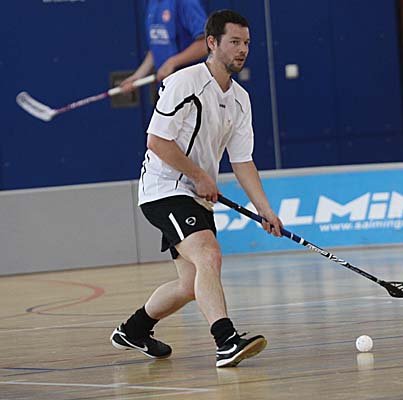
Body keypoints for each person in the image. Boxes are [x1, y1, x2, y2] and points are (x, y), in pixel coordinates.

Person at [111, 9, 284, 368]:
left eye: (246, 43)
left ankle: (133, 330)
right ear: (212, 43)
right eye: (234, 42)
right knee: (209, 255)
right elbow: (157, 141)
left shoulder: (240, 99)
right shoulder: (183, 83)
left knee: (191, 285)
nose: (242, 49)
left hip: (196, 197)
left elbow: (243, 161)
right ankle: (226, 341)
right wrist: (200, 176)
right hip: (164, 188)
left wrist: (265, 209)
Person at [120, 0, 209, 92]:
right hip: (167, 88)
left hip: (191, 87)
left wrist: (172, 62)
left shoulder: (187, 3)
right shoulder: (151, 3)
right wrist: (137, 76)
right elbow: (157, 46)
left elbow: (205, 44)